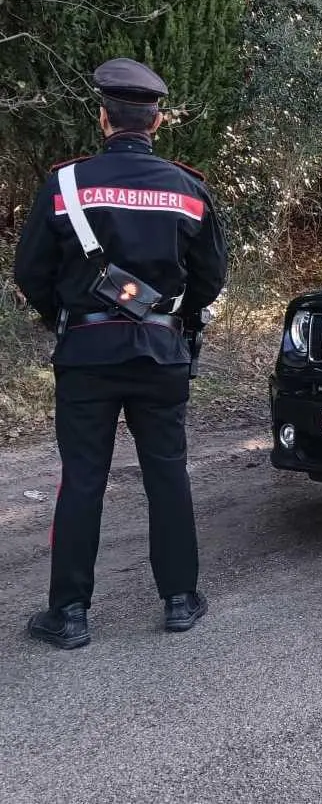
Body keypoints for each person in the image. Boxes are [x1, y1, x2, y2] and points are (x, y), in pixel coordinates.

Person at [14, 57, 227, 649]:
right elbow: (210, 278)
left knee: (82, 480)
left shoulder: (64, 185)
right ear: (155, 122)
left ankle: (70, 614)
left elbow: (30, 271)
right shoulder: (189, 190)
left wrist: (61, 315)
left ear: (104, 117)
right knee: (167, 474)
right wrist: (176, 319)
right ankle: (180, 600)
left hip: (86, 355)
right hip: (162, 354)